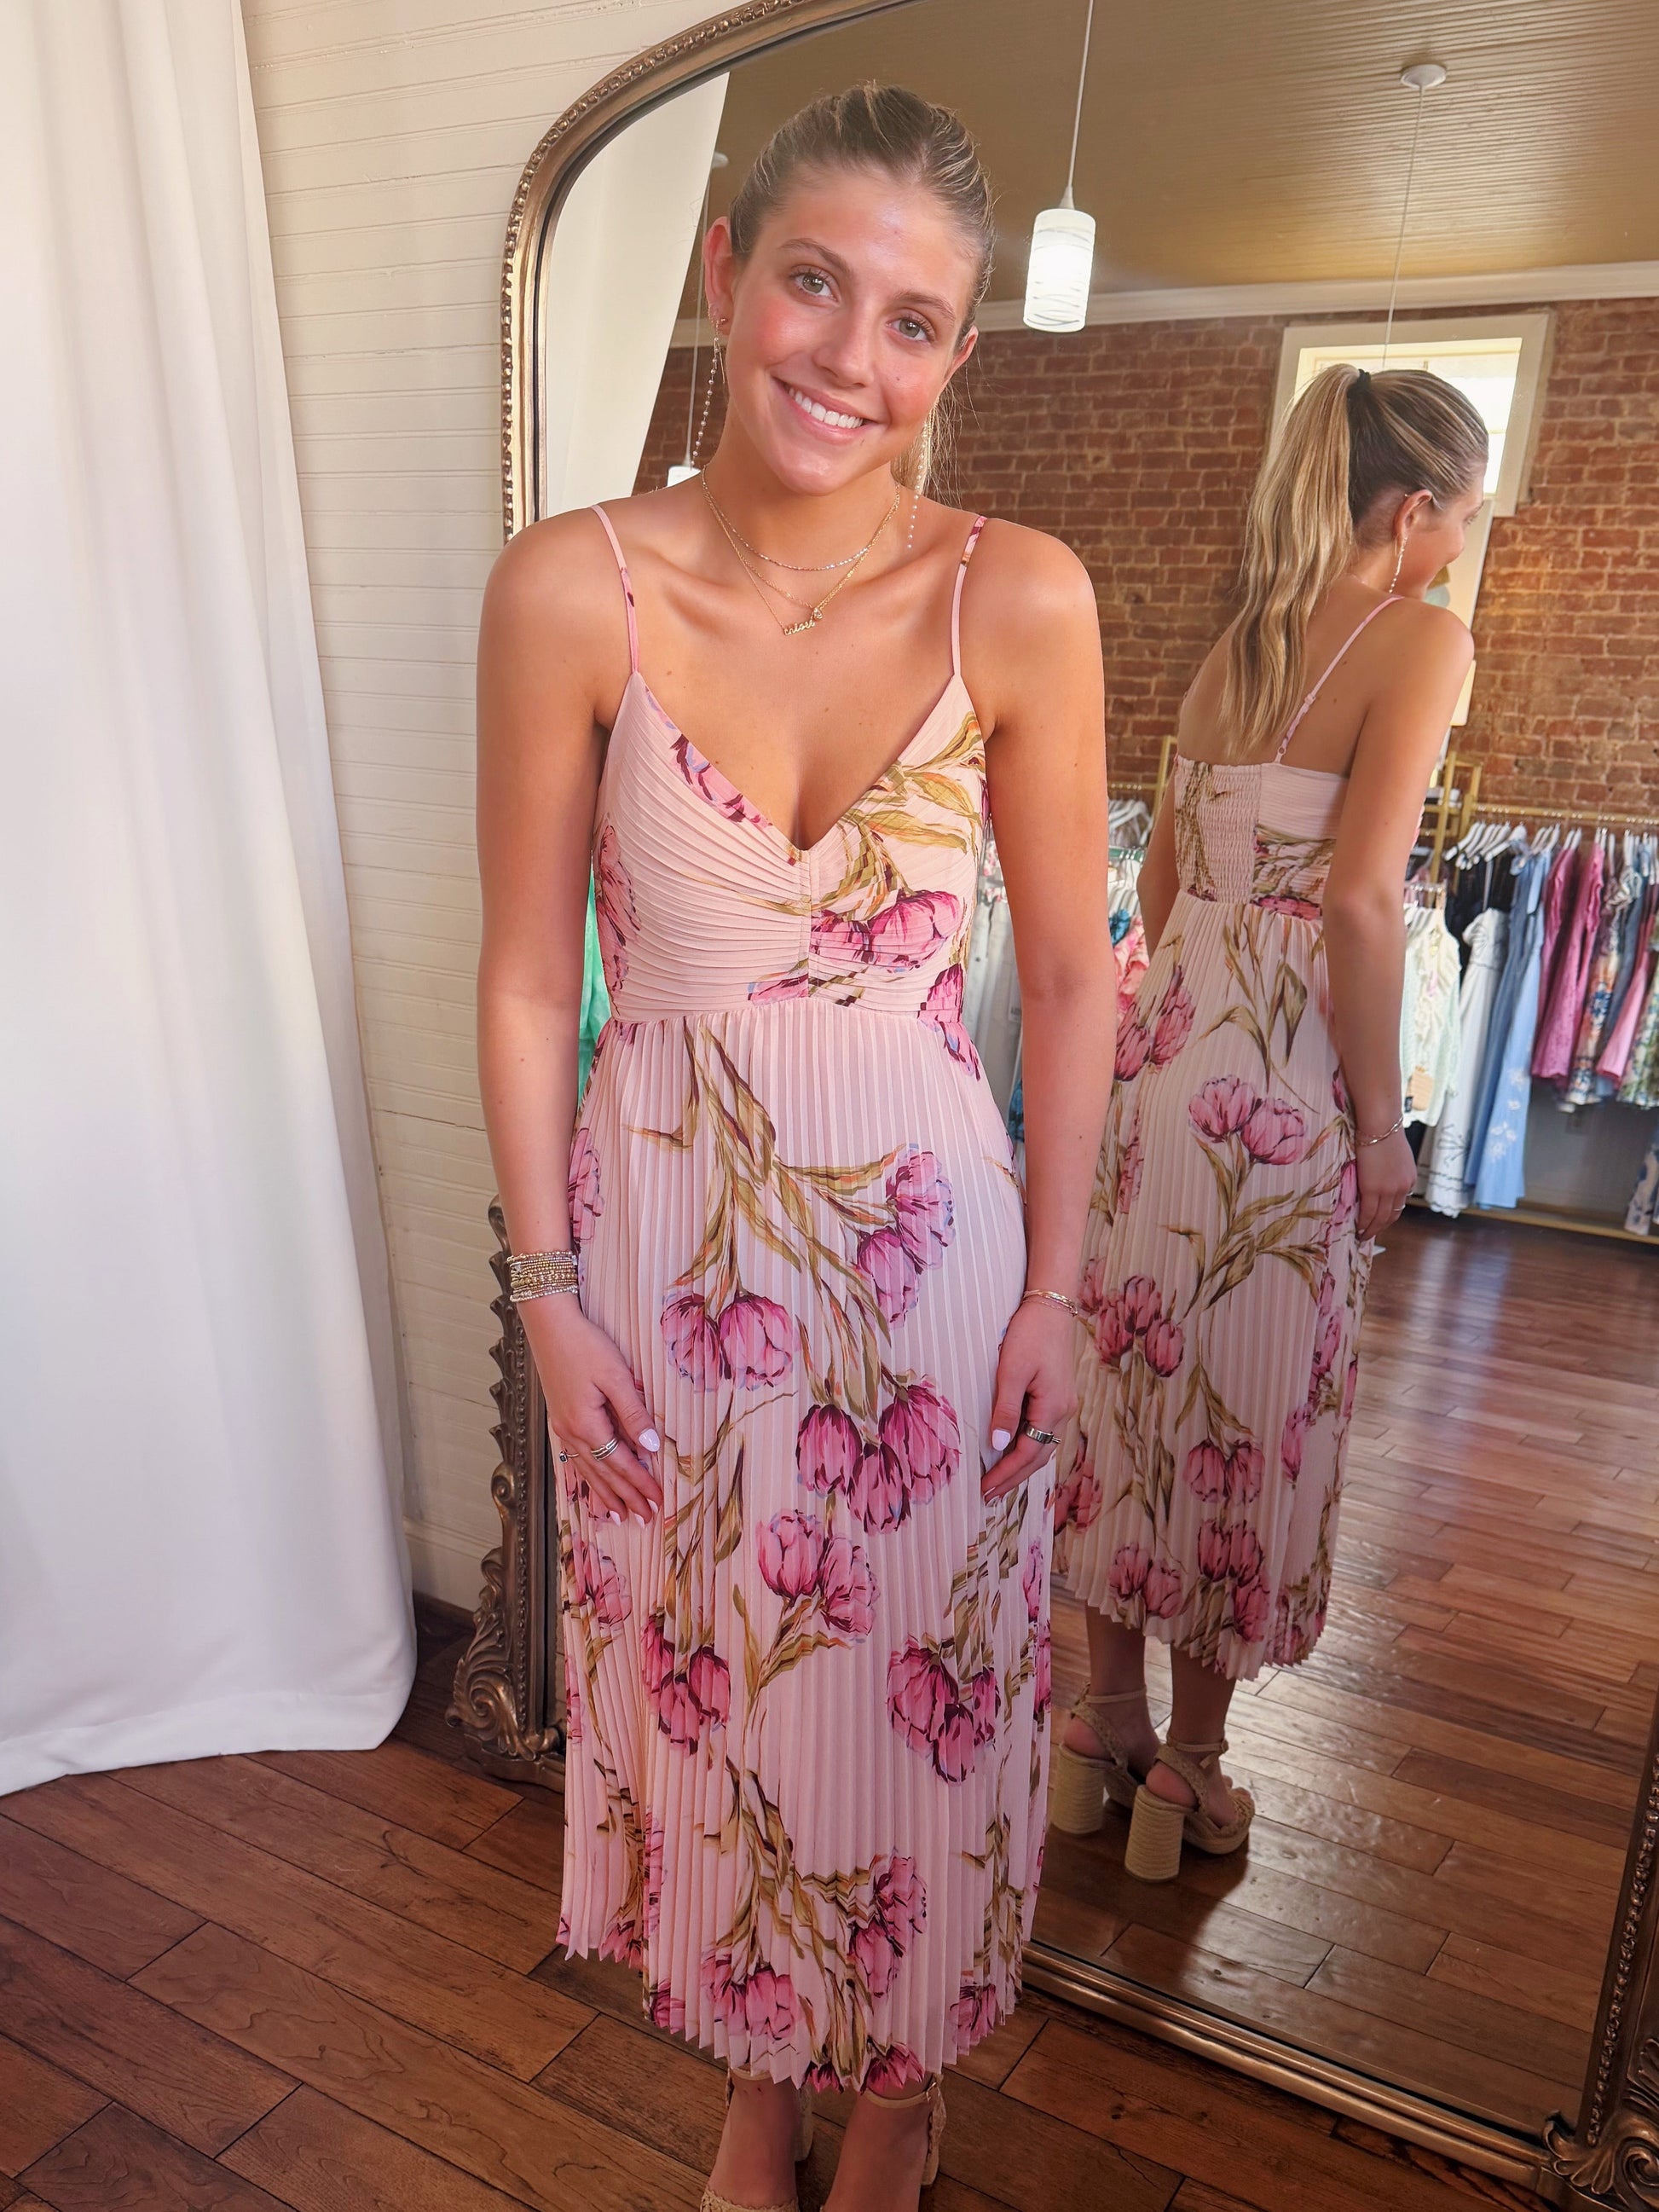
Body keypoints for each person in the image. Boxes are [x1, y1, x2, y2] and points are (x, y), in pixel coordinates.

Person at [475, 85, 1113, 2212]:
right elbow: (521, 979)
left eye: (911, 321)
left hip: (937, 1272)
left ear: (955, 353)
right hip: (664, 1271)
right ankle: (761, 2073)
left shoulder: (1017, 597)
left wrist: (1058, 1289)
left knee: (927, 1693)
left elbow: (1076, 981)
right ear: (727, 271)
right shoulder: (572, 588)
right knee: (719, 1697)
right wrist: (541, 1292)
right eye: (815, 284)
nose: (850, 357)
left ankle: (902, 2088)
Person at [1050, 365, 1487, 1882]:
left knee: (1132, 1392)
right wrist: (1379, 1127)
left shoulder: (1233, 642)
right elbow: (1363, 899)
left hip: (1160, 1061)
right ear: (1414, 509)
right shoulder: (1422, 637)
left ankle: (1095, 1731)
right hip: (1278, 1087)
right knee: (1242, 1417)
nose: (1458, 547)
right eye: (1464, 517)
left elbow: (1164, 889)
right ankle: (1191, 1770)